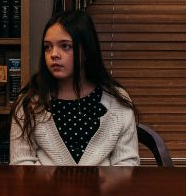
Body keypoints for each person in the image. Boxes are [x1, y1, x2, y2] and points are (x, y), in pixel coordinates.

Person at [10, 9, 138, 165]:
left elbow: (127, 164)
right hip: (42, 182)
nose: (53, 54)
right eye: (47, 47)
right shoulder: (30, 101)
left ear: (86, 51)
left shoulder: (117, 100)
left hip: (105, 182)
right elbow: (21, 164)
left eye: (65, 46)